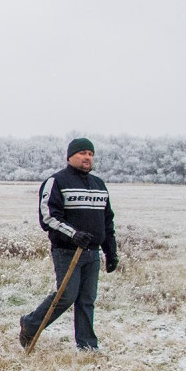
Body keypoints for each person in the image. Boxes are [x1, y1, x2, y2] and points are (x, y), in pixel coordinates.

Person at [19, 138, 118, 351]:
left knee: (87, 300)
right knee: (66, 295)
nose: (87, 157)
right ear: (70, 156)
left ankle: (87, 346)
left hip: (92, 253)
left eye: (90, 153)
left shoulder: (100, 185)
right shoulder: (56, 182)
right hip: (67, 252)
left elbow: (107, 221)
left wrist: (111, 251)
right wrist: (73, 235)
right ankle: (31, 323)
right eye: (82, 153)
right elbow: (48, 217)